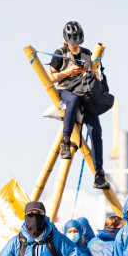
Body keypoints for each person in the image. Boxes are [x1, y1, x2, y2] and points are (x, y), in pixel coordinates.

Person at [47, 21, 110, 191]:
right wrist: (69, 72)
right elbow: (51, 77)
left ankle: (99, 173)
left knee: (95, 130)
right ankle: (65, 142)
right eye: (72, 42)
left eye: (78, 42)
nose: (75, 46)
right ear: (66, 40)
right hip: (66, 91)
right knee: (73, 100)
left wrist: (90, 73)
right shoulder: (59, 53)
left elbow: (95, 75)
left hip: (85, 92)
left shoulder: (87, 53)